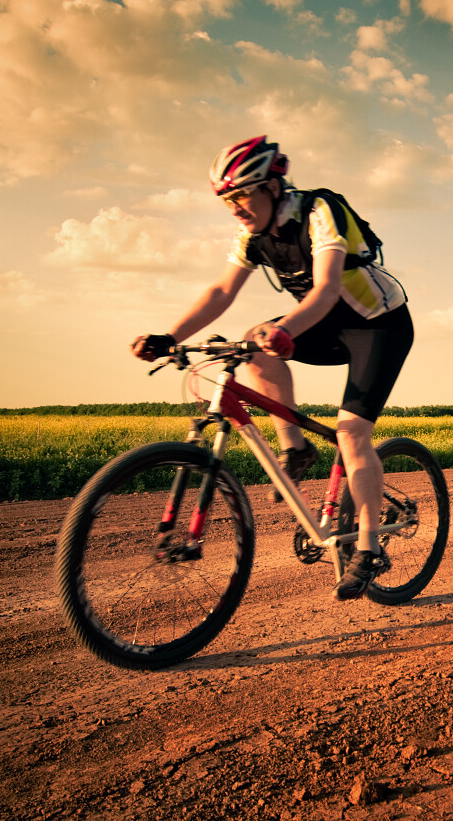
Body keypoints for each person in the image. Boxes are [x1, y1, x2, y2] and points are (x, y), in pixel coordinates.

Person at [131, 136, 413, 602]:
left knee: (351, 434)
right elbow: (221, 292)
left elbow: (324, 288)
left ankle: (368, 547)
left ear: (273, 186)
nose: (236, 209)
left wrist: (283, 328)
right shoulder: (252, 236)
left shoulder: (319, 211)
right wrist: (171, 337)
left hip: (377, 327)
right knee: (252, 346)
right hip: (323, 324)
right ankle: (296, 449)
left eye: (242, 195)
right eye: (227, 201)